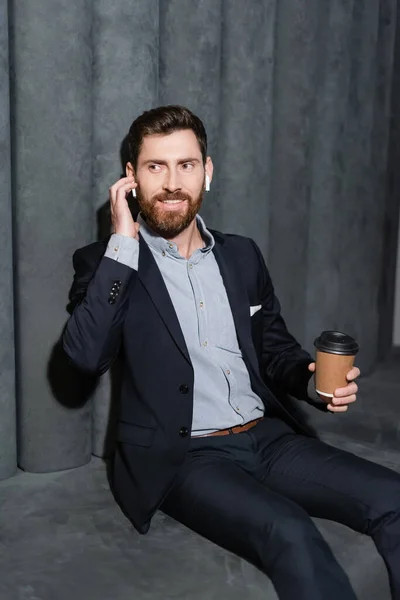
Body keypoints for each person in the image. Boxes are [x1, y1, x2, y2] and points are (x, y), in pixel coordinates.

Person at [63, 105, 400, 600]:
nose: (173, 182)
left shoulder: (241, 255)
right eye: (156, 167)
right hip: (187, 455)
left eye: (187, 165)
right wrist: (121, 244)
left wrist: (310, 380)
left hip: (268, 437)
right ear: (131, 178)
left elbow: (273, 347)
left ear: (208, 171)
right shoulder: (108, 263)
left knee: (393, 496)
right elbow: (84, 357)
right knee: (290, 530)